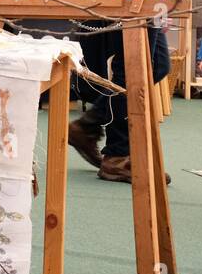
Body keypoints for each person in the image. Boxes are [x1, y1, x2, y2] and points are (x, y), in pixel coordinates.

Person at [70, 25, 172, 183]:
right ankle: (116, 156)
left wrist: (162, 10)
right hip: (132, 3)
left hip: (151, 3)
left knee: (158, 65)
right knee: (131, 69)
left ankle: (88, 124)